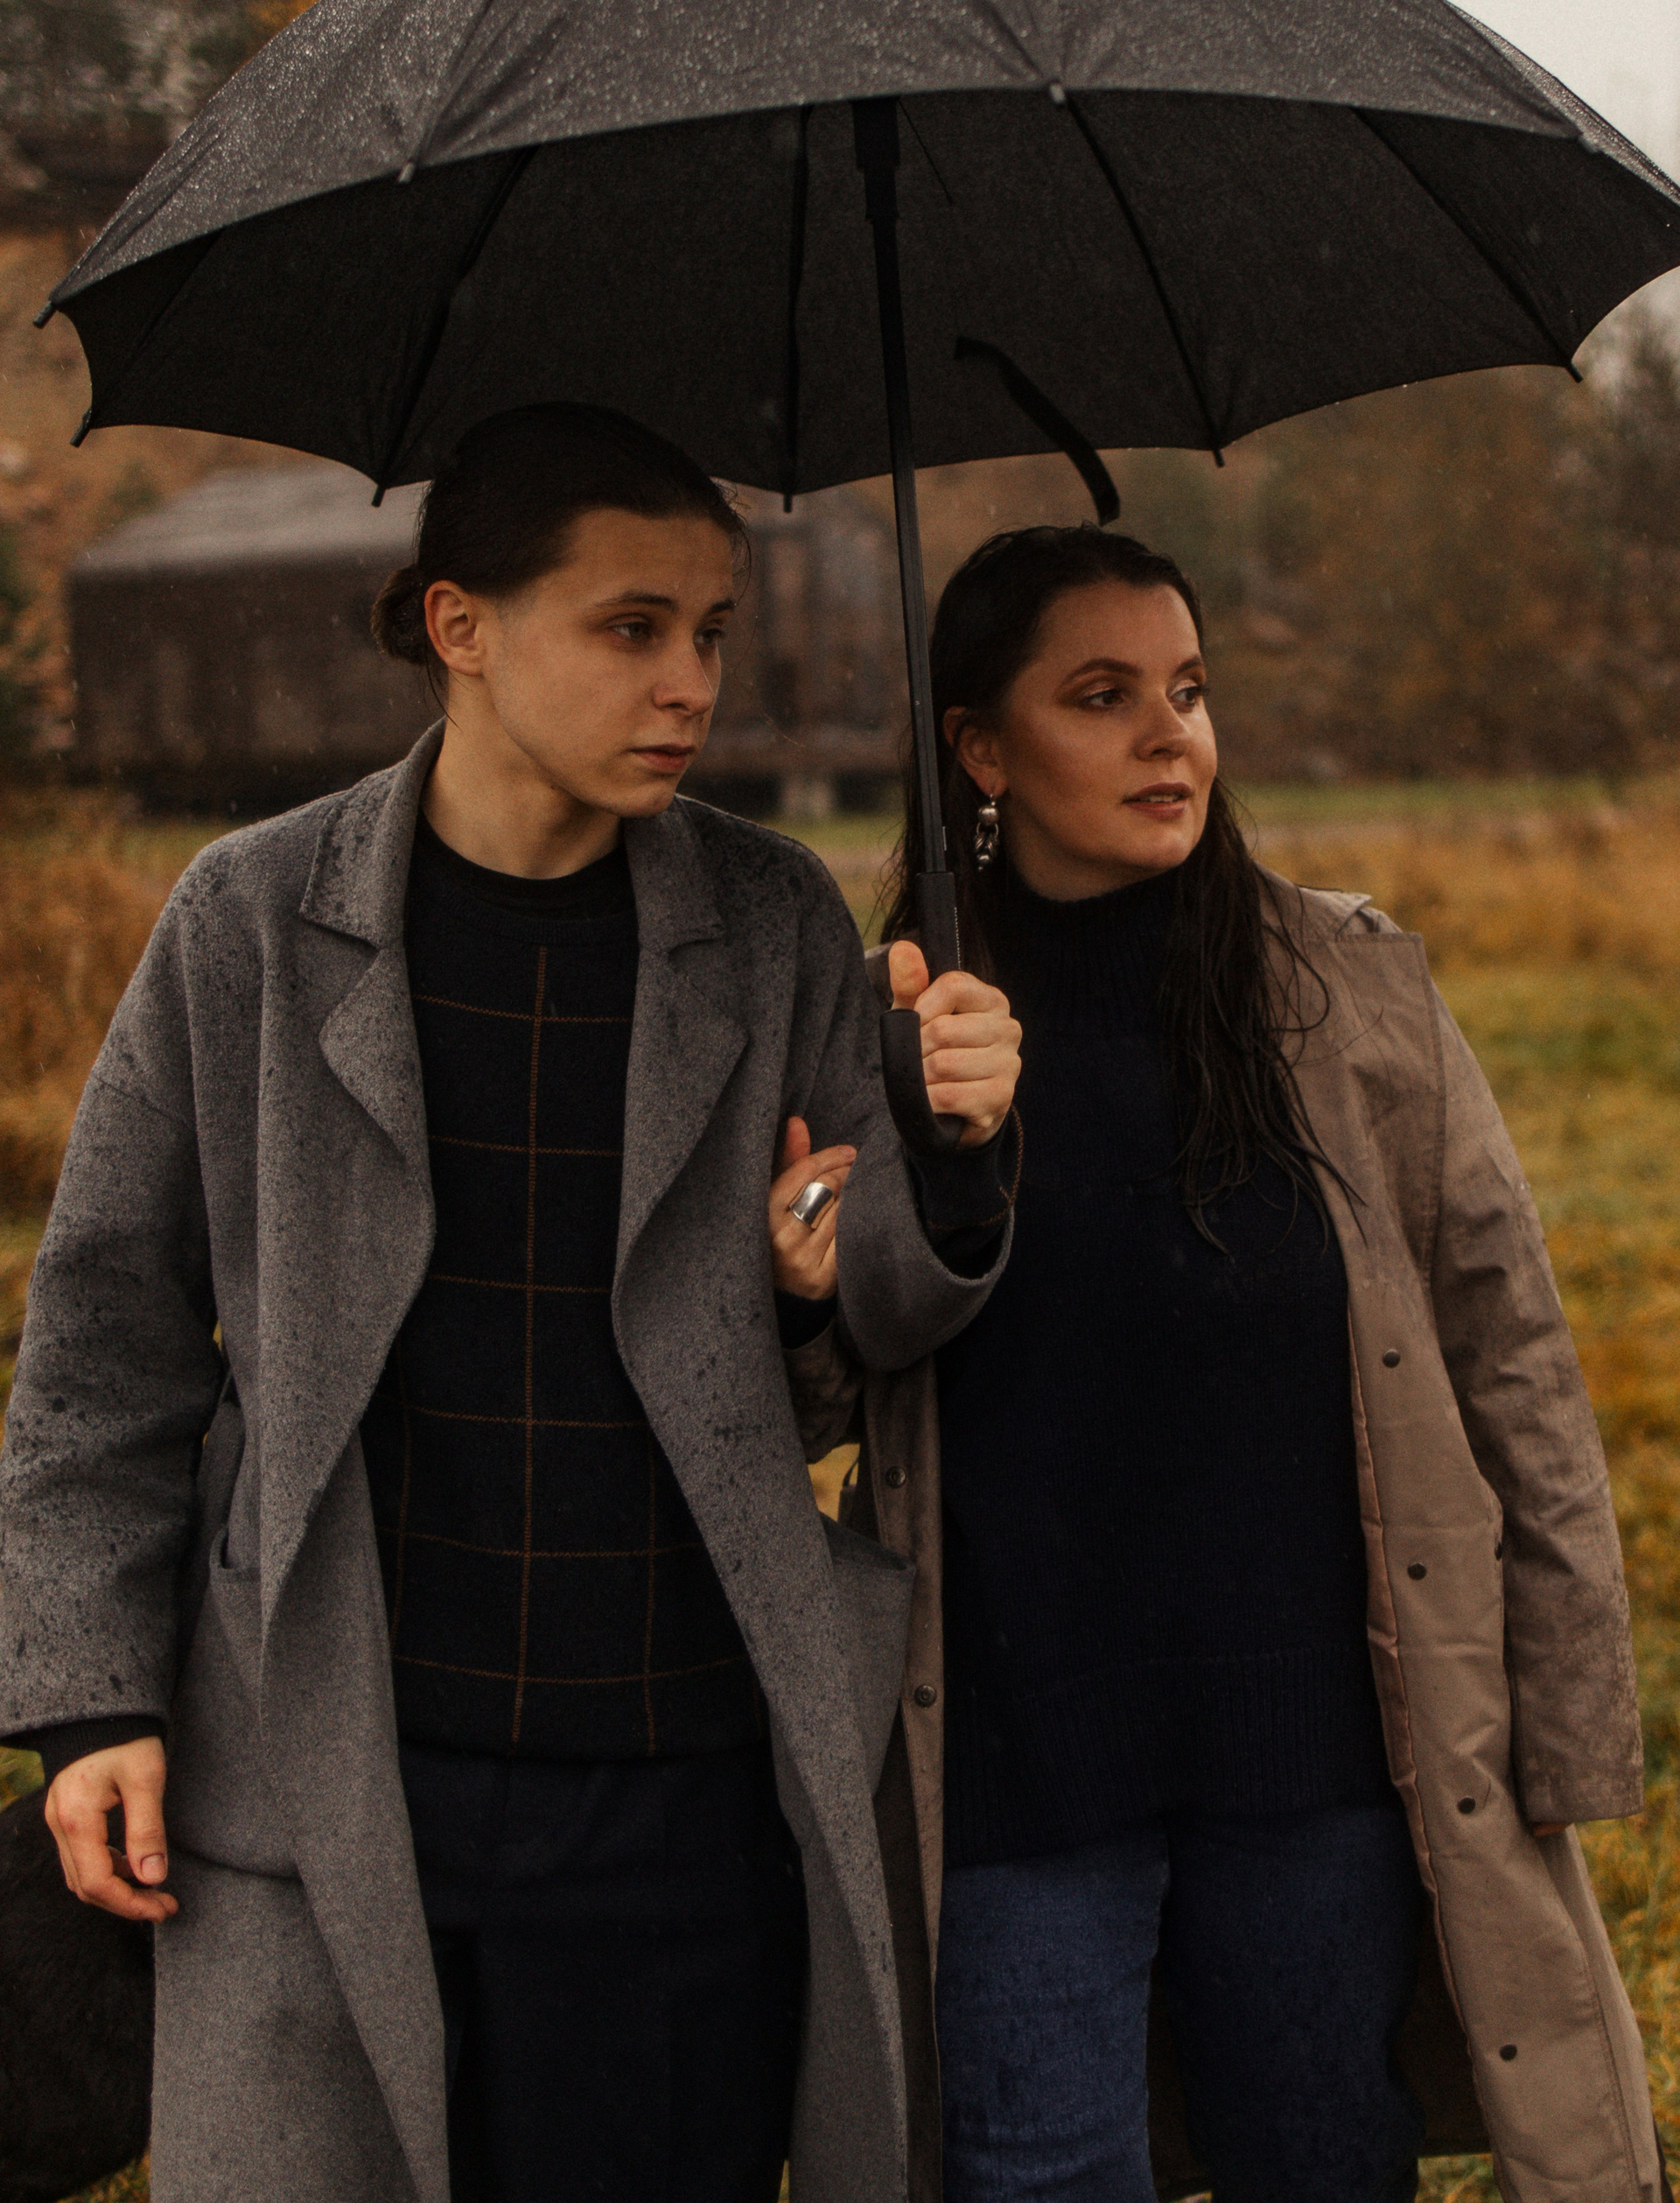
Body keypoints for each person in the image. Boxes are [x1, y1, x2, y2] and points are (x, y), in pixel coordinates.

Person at [0, 403, 1022, 2203]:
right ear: (459, 624)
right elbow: (104, 1351)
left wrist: (943, 1149)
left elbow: (871, 1331)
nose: (691, 682)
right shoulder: (250, 922)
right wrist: (90, 1702)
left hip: (676, 1789)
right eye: (632, 626)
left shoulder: (773, 921)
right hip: (329, 1773)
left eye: (711, 629)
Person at [802, 522, 1664, 2203]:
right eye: (1102, 696)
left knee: (1324, 2162)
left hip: (1318, 1760)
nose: (1169, 737)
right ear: (980, 749)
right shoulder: (885, 1028)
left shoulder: (1349, 990)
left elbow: (1512, 1364)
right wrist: (919, 1159)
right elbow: (809, 1391)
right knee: (1031, 2174)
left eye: (1189, 691)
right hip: (1014, 1768)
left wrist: (1565, 1716)